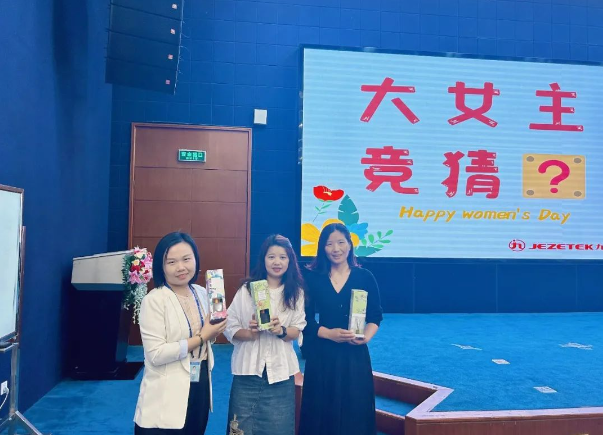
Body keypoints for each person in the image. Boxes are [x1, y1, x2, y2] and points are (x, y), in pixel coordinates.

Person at [134, 232, 227, 435]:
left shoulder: (201, 292)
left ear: (195, 259)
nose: (181, 267)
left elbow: (207, 336)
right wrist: (202, 337)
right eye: (172, 262)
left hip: (200, 381)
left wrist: (214, 331)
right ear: (161, 266)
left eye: (186, 259)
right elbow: (156, 354)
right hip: (166, 391)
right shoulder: (154, 300)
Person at [299, 223, 383, 435]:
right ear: (322, 247)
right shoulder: (312, 278)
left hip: (354, 355)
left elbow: (375, 316)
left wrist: (366, 337)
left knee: (355, 409)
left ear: (350, 245)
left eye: (340, 242)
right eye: (329, 244)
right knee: (320, 410)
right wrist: (329, 334)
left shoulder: (365, 277)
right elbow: (304, 319)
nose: (335, 249)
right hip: (322, 354)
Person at [224, 234, 306, 435]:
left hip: (281, 373)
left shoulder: (296, 292)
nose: (277, 262)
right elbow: (229, 325)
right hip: (248, 371)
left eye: (283, 257)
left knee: (279, 429)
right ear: (263, 259)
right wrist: (250, 334)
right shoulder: (247, 290)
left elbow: (297, 329)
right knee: (240, 429)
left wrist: (282, 331)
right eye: (271, 257)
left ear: (290, 260)